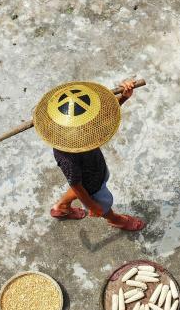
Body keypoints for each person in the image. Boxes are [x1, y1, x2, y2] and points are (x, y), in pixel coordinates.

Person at [48, 79, 144, 231]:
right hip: (92, 186)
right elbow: (75, 184)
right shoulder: (66, 154)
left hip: (96, 168)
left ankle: (62, 206)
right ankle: (114, 219)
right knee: (104, 203)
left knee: (90, 181)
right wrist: (92, 206)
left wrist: (124, 97)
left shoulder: (83, 126)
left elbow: (104, 118)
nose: (92, 124)